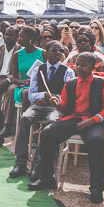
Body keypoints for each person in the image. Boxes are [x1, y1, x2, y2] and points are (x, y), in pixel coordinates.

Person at [28, 53, 104, 203]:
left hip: (96, 120)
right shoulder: (70, 84)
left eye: (84, 65)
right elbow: (66, 108)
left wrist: (92, 120)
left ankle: (96, 187)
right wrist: (57, 104)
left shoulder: (102, 83)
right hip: (75, 118)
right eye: (77, 64)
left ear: (93, 67)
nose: (79, 68)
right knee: (48, 133)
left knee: (95, 141)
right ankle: (47, 178)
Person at [10, 41, 75, 179]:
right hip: (38, 105)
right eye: (54, 50)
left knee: (51, 122)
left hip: (56, 107)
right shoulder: (37, 70)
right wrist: (44, 95)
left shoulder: (68, 71)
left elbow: (68, 95)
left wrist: (51, 99)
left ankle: (37, 164)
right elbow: (31, 94)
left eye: (61, 50)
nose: (58, 53)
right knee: (24, 118)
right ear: (46, 52)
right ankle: (20, 162)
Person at [3, 26, 41, 137]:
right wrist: (24, 82)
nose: (19, 39)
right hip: (24, 86)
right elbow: (14, 77)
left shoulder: (42, 53)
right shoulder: (17, 54)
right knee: (25, 92)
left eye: (22, 36)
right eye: (19, 36)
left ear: (31, 38)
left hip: (39, 86)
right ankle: (25, 129)